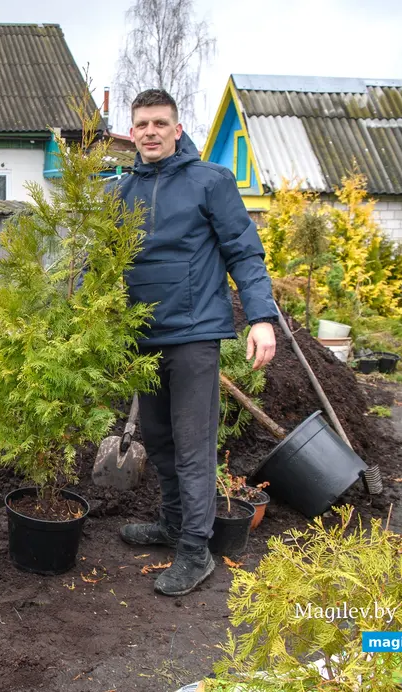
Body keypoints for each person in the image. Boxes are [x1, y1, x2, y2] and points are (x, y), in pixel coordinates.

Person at [112, 89, 278, 596]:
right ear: (133, 131)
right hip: (144, 337)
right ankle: (171, 524)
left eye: (160, 123)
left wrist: (261, 318)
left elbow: (244, 253)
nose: (150, 132)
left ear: (177, 129)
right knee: (159, 439)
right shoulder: (120, 192)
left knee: (192, 445)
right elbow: (104, 263)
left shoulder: (212, 181)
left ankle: (195, 551)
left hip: (195, 335)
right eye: (142, 124)